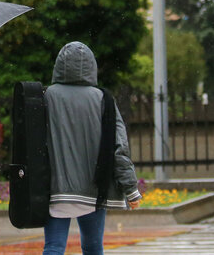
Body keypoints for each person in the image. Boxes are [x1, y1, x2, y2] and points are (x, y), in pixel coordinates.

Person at [42, 42, 141, 255]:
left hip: (56, 190)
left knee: (53, 247)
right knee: (93, 248)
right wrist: (131, 189)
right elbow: (119, 147)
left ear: (59, 66)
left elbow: (35, 144)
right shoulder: (103, 99)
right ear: (91, 66)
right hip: (94, 191)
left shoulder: (47, 96)